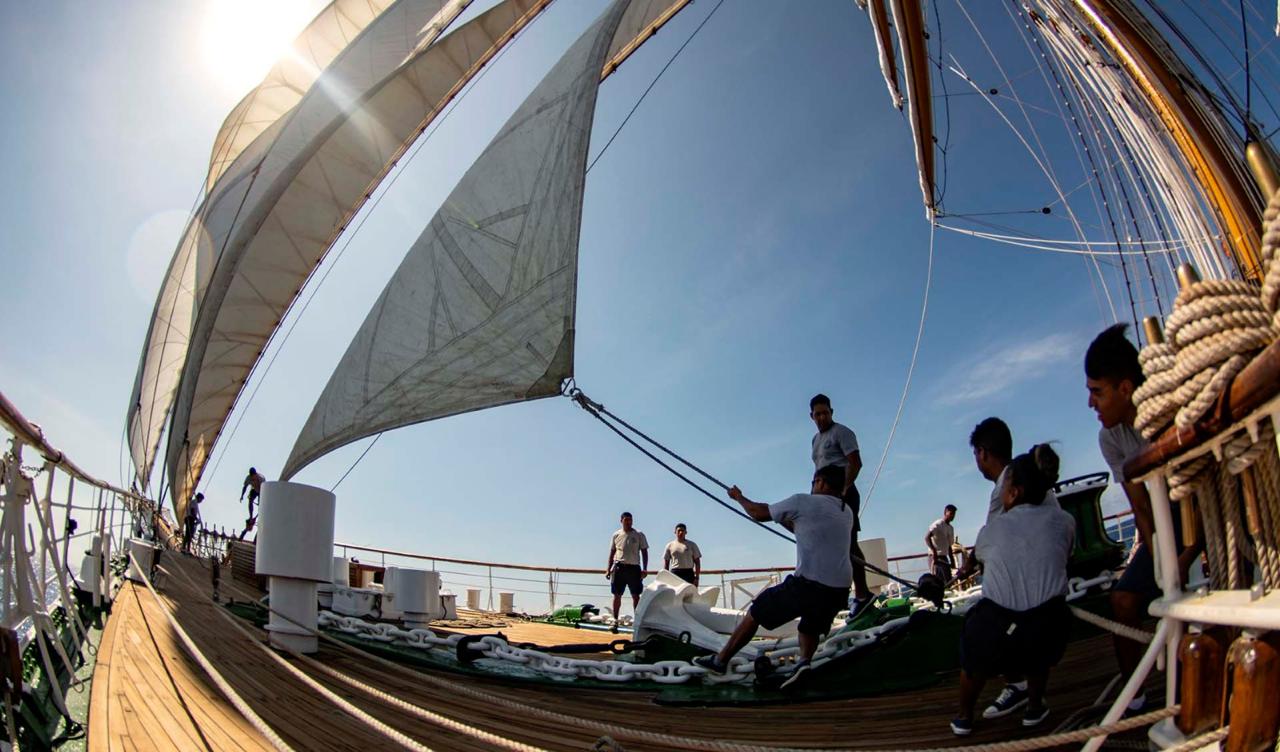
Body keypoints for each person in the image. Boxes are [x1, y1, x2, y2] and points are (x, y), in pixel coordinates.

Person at [1085, 324, 1201, 713]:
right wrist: (1164, 561)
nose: (1090, 403)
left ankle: (1198, 689)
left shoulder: (1171, 414)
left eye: (1097, 391)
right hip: (1167, 515)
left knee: (1192, 598)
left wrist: (1188, 556)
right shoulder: (1111, 438)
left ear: (1125, 389)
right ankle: (1135, 701)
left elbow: (1202, 483)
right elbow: (1140, 505)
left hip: (1203, 503)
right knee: (1122, 600)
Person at [692, 464, 852, 690]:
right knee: (810, 626)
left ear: (821, 482)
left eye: (814, 482)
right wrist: (784, 517)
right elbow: (804, 527)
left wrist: (739, 497)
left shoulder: (803, 501)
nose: (812, 486)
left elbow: (758, 513)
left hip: (809, 585)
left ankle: (720, 660)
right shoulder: (846, 512)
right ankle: (804, 664)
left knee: (756, 611)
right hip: (839, 590)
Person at [952, 445, 1076, 736]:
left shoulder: (991, 531)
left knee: (976, 632)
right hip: (1049, 635)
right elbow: (1064, 556)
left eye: (1004, 487)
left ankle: (964, 716)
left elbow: (981, 558)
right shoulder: (1065, 522)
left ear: (1014, 492)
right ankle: (1034, 705)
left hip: (999, 642)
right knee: (1044, 616)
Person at [963, 417, 1060, 719]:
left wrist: (968, 565)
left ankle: (970, 710)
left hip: (1021, 600)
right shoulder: (1034, 482)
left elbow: (991, 541)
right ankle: (1031, 696)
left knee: (983, 624)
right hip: (1052, 600)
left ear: (982, 453)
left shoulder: (1005, 487)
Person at [809, 394, 873, 614]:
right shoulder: (815, 440)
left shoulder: (842, 432)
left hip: (842, 490)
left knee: (848, 543)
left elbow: (855, 463)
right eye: (817, 414)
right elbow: (818, 468)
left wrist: (844, 490)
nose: (822, 417)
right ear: (811, 416)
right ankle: (832, 592)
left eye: (825, 412)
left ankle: (863, 593)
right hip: (821, 491)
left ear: (831, 412)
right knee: (821, 543)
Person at [606, 512, 649, 619]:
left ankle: (637, 621)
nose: (629, 522)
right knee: (617, 595)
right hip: (619, 567)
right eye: (626, 520)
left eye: (630, 520)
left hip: (634, 568)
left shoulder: (639, 534)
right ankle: (615, 619)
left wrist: (645, 569)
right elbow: (612, 552)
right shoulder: (616, 535)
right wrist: (608, 569)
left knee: (636, 595)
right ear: (621, 521)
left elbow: (644, 552)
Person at [926, 505, 958, 582]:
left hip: (944, 558)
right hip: (936, 558)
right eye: (951, 513)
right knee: (938, 581)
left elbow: (949, 546)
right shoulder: (938, 524)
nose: (952, 516)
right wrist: (934, 551)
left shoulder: (950, 528)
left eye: (954, 514)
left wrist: (952, 560)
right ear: (945, 512)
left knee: (948, 581)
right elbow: (927, 537)